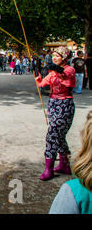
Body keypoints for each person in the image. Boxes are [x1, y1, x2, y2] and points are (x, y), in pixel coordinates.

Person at [36, 46, 76, 181]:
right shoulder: (53, 71)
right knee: (59, 136)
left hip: (65, 105)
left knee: (52, 135)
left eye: (57, 56)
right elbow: (43, 83)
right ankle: (64, 165)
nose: (54, 57)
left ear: (64, 58)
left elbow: (65, 77)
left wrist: (56, 69)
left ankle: (49, 169)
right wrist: (38, 78)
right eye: (53, 55)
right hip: (52, 104)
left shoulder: (69, 69)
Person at [49, 111, 92, 214]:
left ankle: (52, 168)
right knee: (58, 137)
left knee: (54, 137)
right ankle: (62, 165)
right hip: (57, 103)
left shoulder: (74, 192)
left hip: (62, 103)